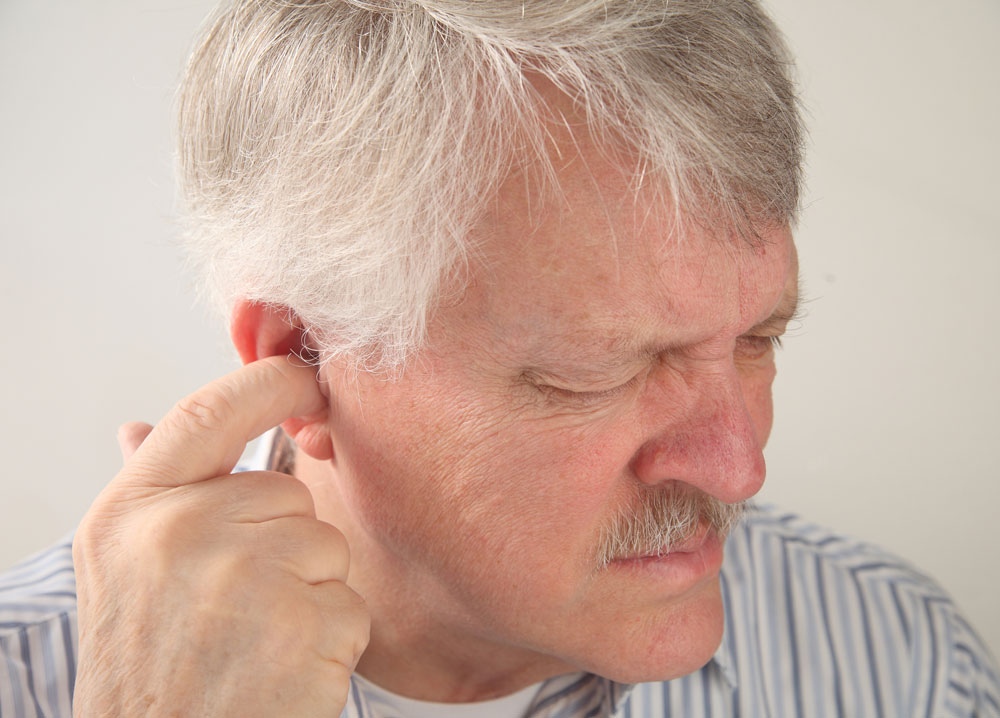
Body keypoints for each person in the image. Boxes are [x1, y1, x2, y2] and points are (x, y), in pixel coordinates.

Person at [1, 0, 997, 716]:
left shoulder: (907, 665)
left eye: (758, 339)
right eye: (594, 371)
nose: (740, 466)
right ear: (308, 352)